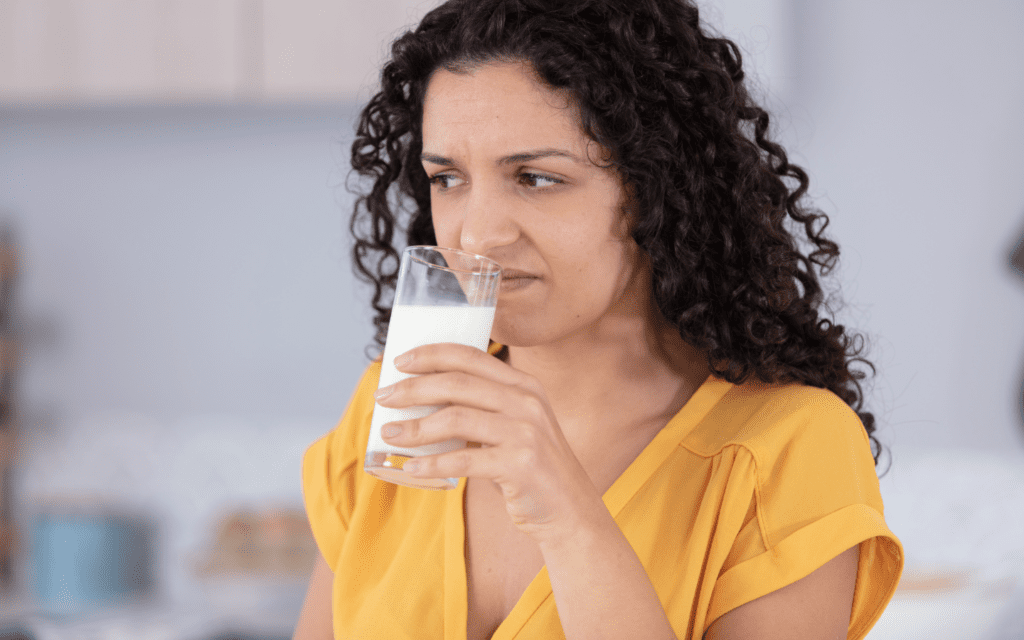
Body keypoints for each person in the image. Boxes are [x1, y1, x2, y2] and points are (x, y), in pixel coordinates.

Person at [293, 0, 903, 638]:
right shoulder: (398, 407)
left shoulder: (786, 454)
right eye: (448, 178)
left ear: (656, 188)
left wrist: (567, 516)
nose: (477, 233)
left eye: (535, 177)